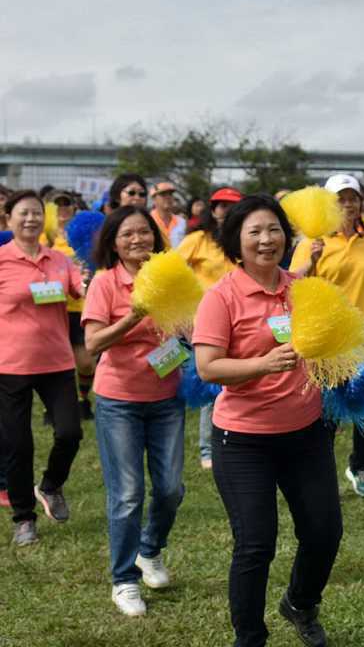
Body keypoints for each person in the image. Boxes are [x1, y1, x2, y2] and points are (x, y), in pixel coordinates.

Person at [193, 194, 341, 647]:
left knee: (324, 530)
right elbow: (208, 367)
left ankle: (299, 603)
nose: (266, 239)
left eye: (273, 229)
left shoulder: (301, 288)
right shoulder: (221, 297)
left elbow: (325, 346)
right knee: (256, 545)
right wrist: (263, 364)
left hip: (306, 434)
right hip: (243, 440)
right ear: (236, 240)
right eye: (254, 231)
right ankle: (250, 639)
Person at [83, 206, 185, 617]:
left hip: (167, 397)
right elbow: (93, 344)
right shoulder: (105, 284)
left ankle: (150, 550)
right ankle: (124, 581)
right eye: (128, 235)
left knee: (171, 489)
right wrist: (134, 316)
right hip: (119, 400)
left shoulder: (171, 280)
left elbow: (187, 329)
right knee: (127, 495)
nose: (138, 240)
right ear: (113, 242)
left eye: (144, 233)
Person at [291, 174, 364, 498]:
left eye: (352, 197)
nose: (348, 204)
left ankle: (361, 465)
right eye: (340, 198)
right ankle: (320, 473)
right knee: (327, 412)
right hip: (330, 340)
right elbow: (293, 284)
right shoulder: (313, 242)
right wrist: (311, 260)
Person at [0, 190, 85, 546]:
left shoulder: (60, 260)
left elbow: (79, 291)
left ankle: (50, 485)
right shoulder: (2, 260)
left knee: (70, 432)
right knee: (17, 445)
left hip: (57, 361)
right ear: (9, 219)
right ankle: (24, 518)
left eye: (37, 213)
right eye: (24, 213)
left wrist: (89, 280)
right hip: (10, 365)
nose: (31, 219)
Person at [177, 187, 243, 470]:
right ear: (212, 209)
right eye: (220, 206)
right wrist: (181, 313)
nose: (225, 211)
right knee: (210, 385)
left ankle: (235, 440)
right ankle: (208, 449)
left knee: (238, 384)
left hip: (240, 319)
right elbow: (172, 273)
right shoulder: (197, 241)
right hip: (203, 322)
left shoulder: (242, 240)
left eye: (232, 206)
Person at [41, 189, 98, 421]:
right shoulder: (45, 236)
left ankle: (83, 399)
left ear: (74, 208)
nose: (62, 209)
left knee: (85, 363)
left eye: (67, 205)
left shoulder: (83, 234)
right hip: (54, 306)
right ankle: (49, 407)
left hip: (80, 307)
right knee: (51, 361)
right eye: (57, 205)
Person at [149, 182, 186, 247]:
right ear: (154, 199)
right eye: (163, 194)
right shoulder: (148, 221)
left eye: (170, 194)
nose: (168, 197)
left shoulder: (182, 222)